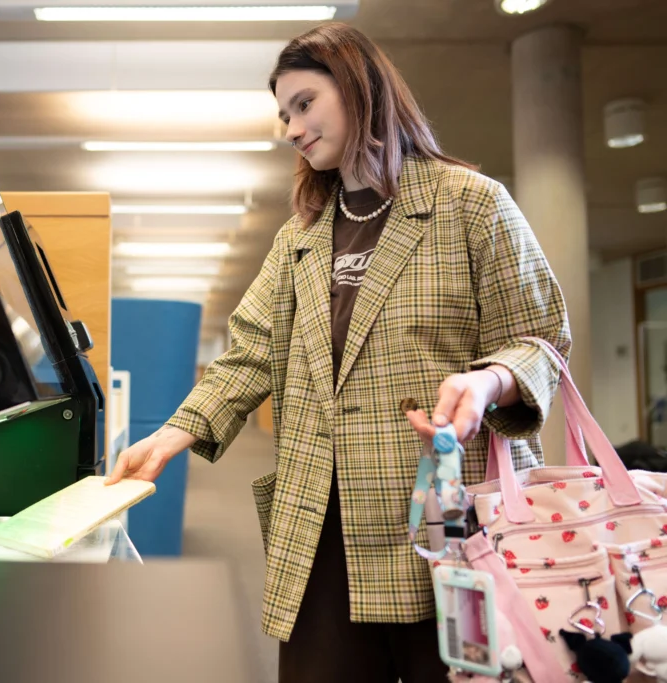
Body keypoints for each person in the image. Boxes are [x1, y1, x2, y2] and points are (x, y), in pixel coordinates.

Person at [106, 22, 570, 683]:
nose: (291, 128)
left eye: (304, 104)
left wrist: (491, 381)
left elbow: (542, 338)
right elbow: (248, 352)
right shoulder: (301, 235)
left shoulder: (469, 205)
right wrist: (174, 433)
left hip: (446, 520)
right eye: (283, 114)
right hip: (323, 527)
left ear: (359, 90)